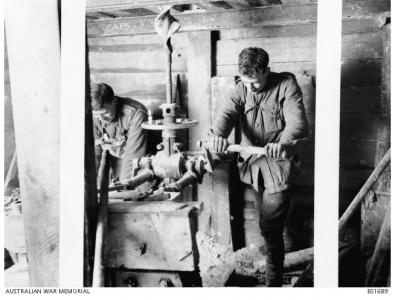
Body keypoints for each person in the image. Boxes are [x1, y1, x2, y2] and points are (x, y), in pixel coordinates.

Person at [209, 47, 308, 286]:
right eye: (246, 82)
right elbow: (226, 114)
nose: (251, 88)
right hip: (254, 168)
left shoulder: (286, 85)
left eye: (256, 82)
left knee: (269, 225)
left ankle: (273, 283)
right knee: (270, 225)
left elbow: (297, 123)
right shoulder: (241, 88)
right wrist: (218, 136)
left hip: (279, 167)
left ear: (267, 71)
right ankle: (275, 268)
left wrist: (283, 143)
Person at [91, 82, 148, 181]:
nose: (101, 118)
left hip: (138, 160)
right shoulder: (92, 113)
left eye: (105, 113)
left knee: (136, 189)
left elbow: (133, 156)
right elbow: (94, 149)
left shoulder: (136, 114)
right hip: (112, 158)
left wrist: (123, 188)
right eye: (96, 115)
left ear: (114, 101)